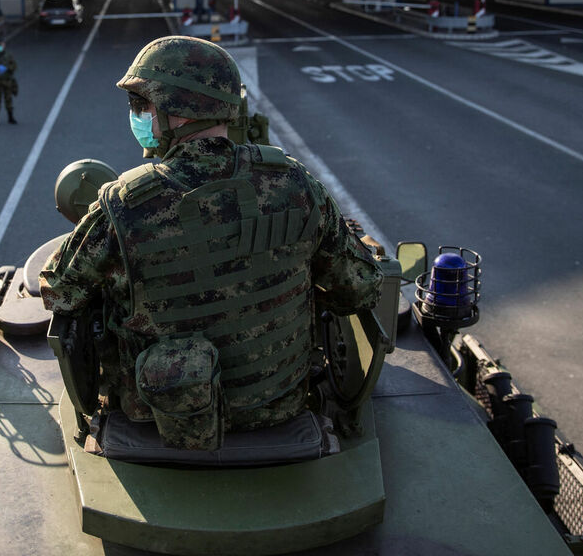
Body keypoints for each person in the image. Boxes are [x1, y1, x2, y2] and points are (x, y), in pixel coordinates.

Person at [40, 36, 382, 449]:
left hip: (154, 419)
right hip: (281, 408)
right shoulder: (295, 185)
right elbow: (361, 285)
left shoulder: (124, 204)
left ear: (173, 112)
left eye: (141, 105)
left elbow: (59, 293)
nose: (138, 116)